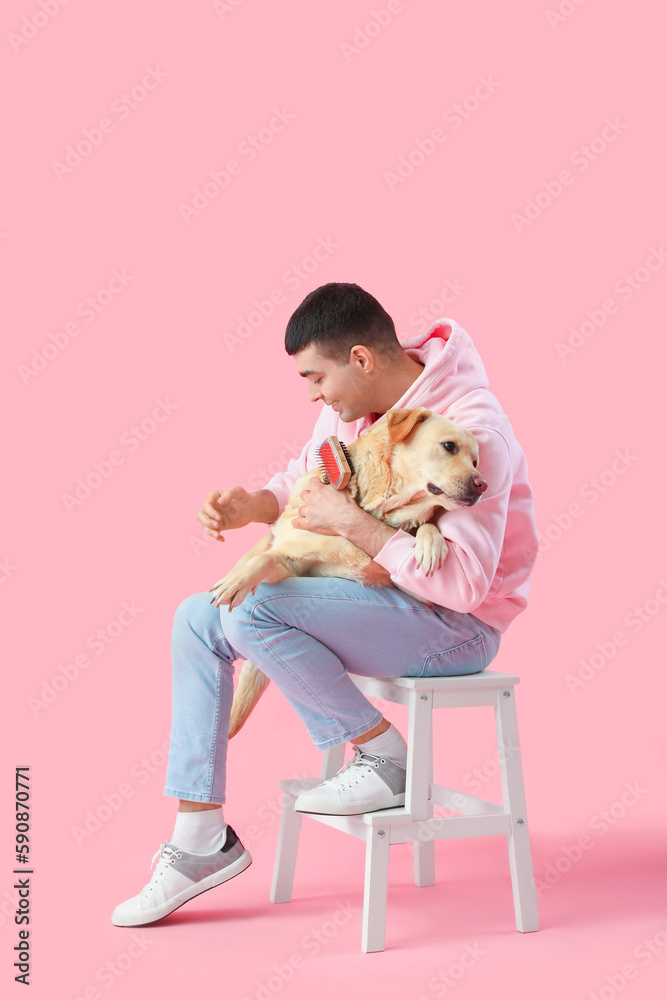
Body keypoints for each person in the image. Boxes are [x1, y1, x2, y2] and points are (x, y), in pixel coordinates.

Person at [111, 282, 539, 927]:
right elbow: (309, 476)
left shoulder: (471, 431)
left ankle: (381, 757)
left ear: (362, 359)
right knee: (198, 616)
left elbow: (465, 586)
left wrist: (353, 524)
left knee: (252, 607)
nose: (314, 395)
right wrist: (254, 504)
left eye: (317, 378)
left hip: (456, 626)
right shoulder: (356, 407)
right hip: (374, 602)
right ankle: (200, 838)